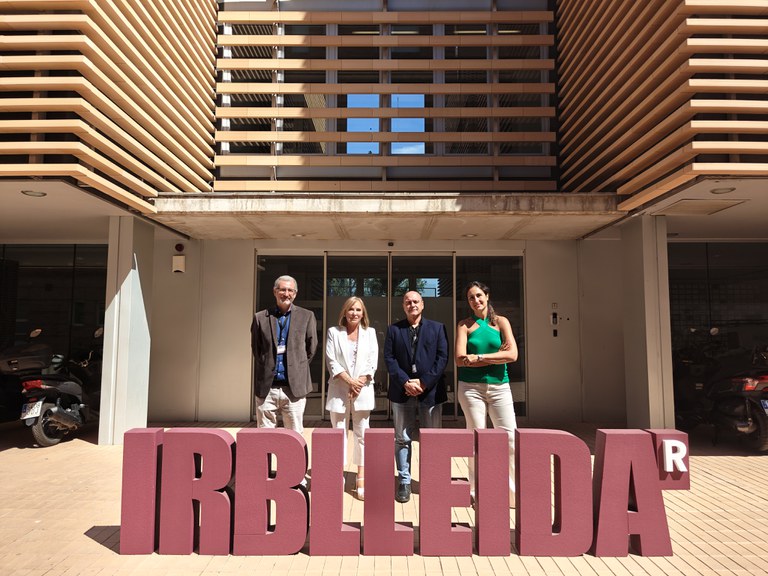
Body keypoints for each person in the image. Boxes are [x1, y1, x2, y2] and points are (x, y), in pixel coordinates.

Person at [455, 280, 519, 507]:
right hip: (470, 389)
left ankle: (511, 494)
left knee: (510, 438)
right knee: (476, 438)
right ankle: (476, 491)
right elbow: (460, 360)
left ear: (487, 296)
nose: (476, 300)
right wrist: (497, 357)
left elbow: (512, 355)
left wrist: (479, 357)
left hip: (500, 387)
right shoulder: (464, 325)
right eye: (471, 297)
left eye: (479, 295)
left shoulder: (501, 322)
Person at [384, 290, 449, 503]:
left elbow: (442, 358)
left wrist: (423, 382)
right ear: (403, 306)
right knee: (402, 438)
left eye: (415, 301)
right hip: (402, 391)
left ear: (422, 304)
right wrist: (405, 382)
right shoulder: (394, 330)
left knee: (433, 439)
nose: (412, 304)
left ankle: (432, 480)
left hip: (430, 392)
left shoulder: (437, 328)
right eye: (408, 302)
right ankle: (404, 481)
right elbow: (389, 359)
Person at [325, 297, 378, 500]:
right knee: (338, 433)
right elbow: (331, 360)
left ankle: (361, 477)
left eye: (358, 310)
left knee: (362, 434)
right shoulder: (334, 332)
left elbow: (372, 361)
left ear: (363, 313)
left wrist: (359, 383)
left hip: (362, 390)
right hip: (339, 389)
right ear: (344, 312)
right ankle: (337, 475)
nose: (354, 313)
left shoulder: (370, 333)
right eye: (350, 309)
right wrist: (349, 381)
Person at [251, 275, 318, 433]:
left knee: (295, 435)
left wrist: (296, 365)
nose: (286, 294)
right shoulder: (260, 317)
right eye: (282, 290)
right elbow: (257, 349)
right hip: (267, 388)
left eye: (290, 290)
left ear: (295, 293)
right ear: (275, 291)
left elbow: (311, 347)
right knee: (264, 436)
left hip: (294, 388)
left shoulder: (306, 316)